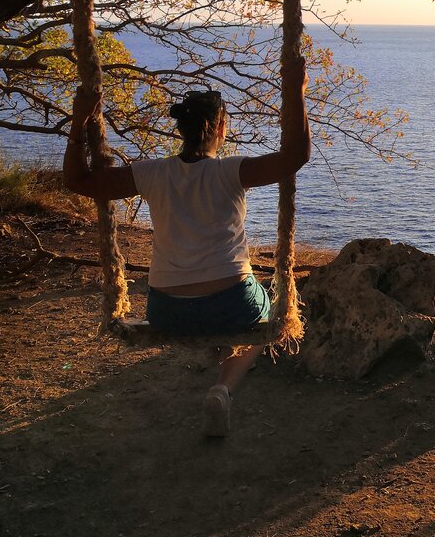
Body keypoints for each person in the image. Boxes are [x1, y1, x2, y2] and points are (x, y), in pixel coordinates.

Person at [63, 57, 310, 437]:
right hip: (231, 304)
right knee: (273, 315)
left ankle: (218, 360)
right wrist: (296, 91)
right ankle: (222, 387)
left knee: (225, 313)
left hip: (168, 310)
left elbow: (78, 180)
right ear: (222, 128)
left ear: (181, 129)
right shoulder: (232, 171)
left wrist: (79, 121)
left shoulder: (151, 173)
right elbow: (296, 157)